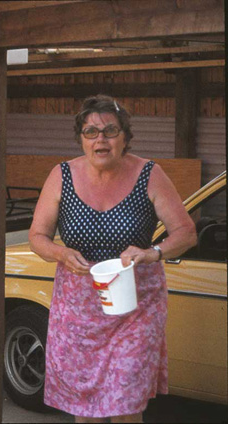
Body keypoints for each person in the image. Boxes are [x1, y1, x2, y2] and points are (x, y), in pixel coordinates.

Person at [28, 95, 196, 423]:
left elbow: (186, 233)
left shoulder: (150, 173)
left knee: (125, 400)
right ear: (81, 138)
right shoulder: (61, 175)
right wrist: (61, 253)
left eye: (110, 130)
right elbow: (37, 237)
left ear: (125, 137)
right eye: (90, 132)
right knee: (85, 406)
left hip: (135, 306)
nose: (100, 139)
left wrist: (152, 253)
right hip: (78, 310)